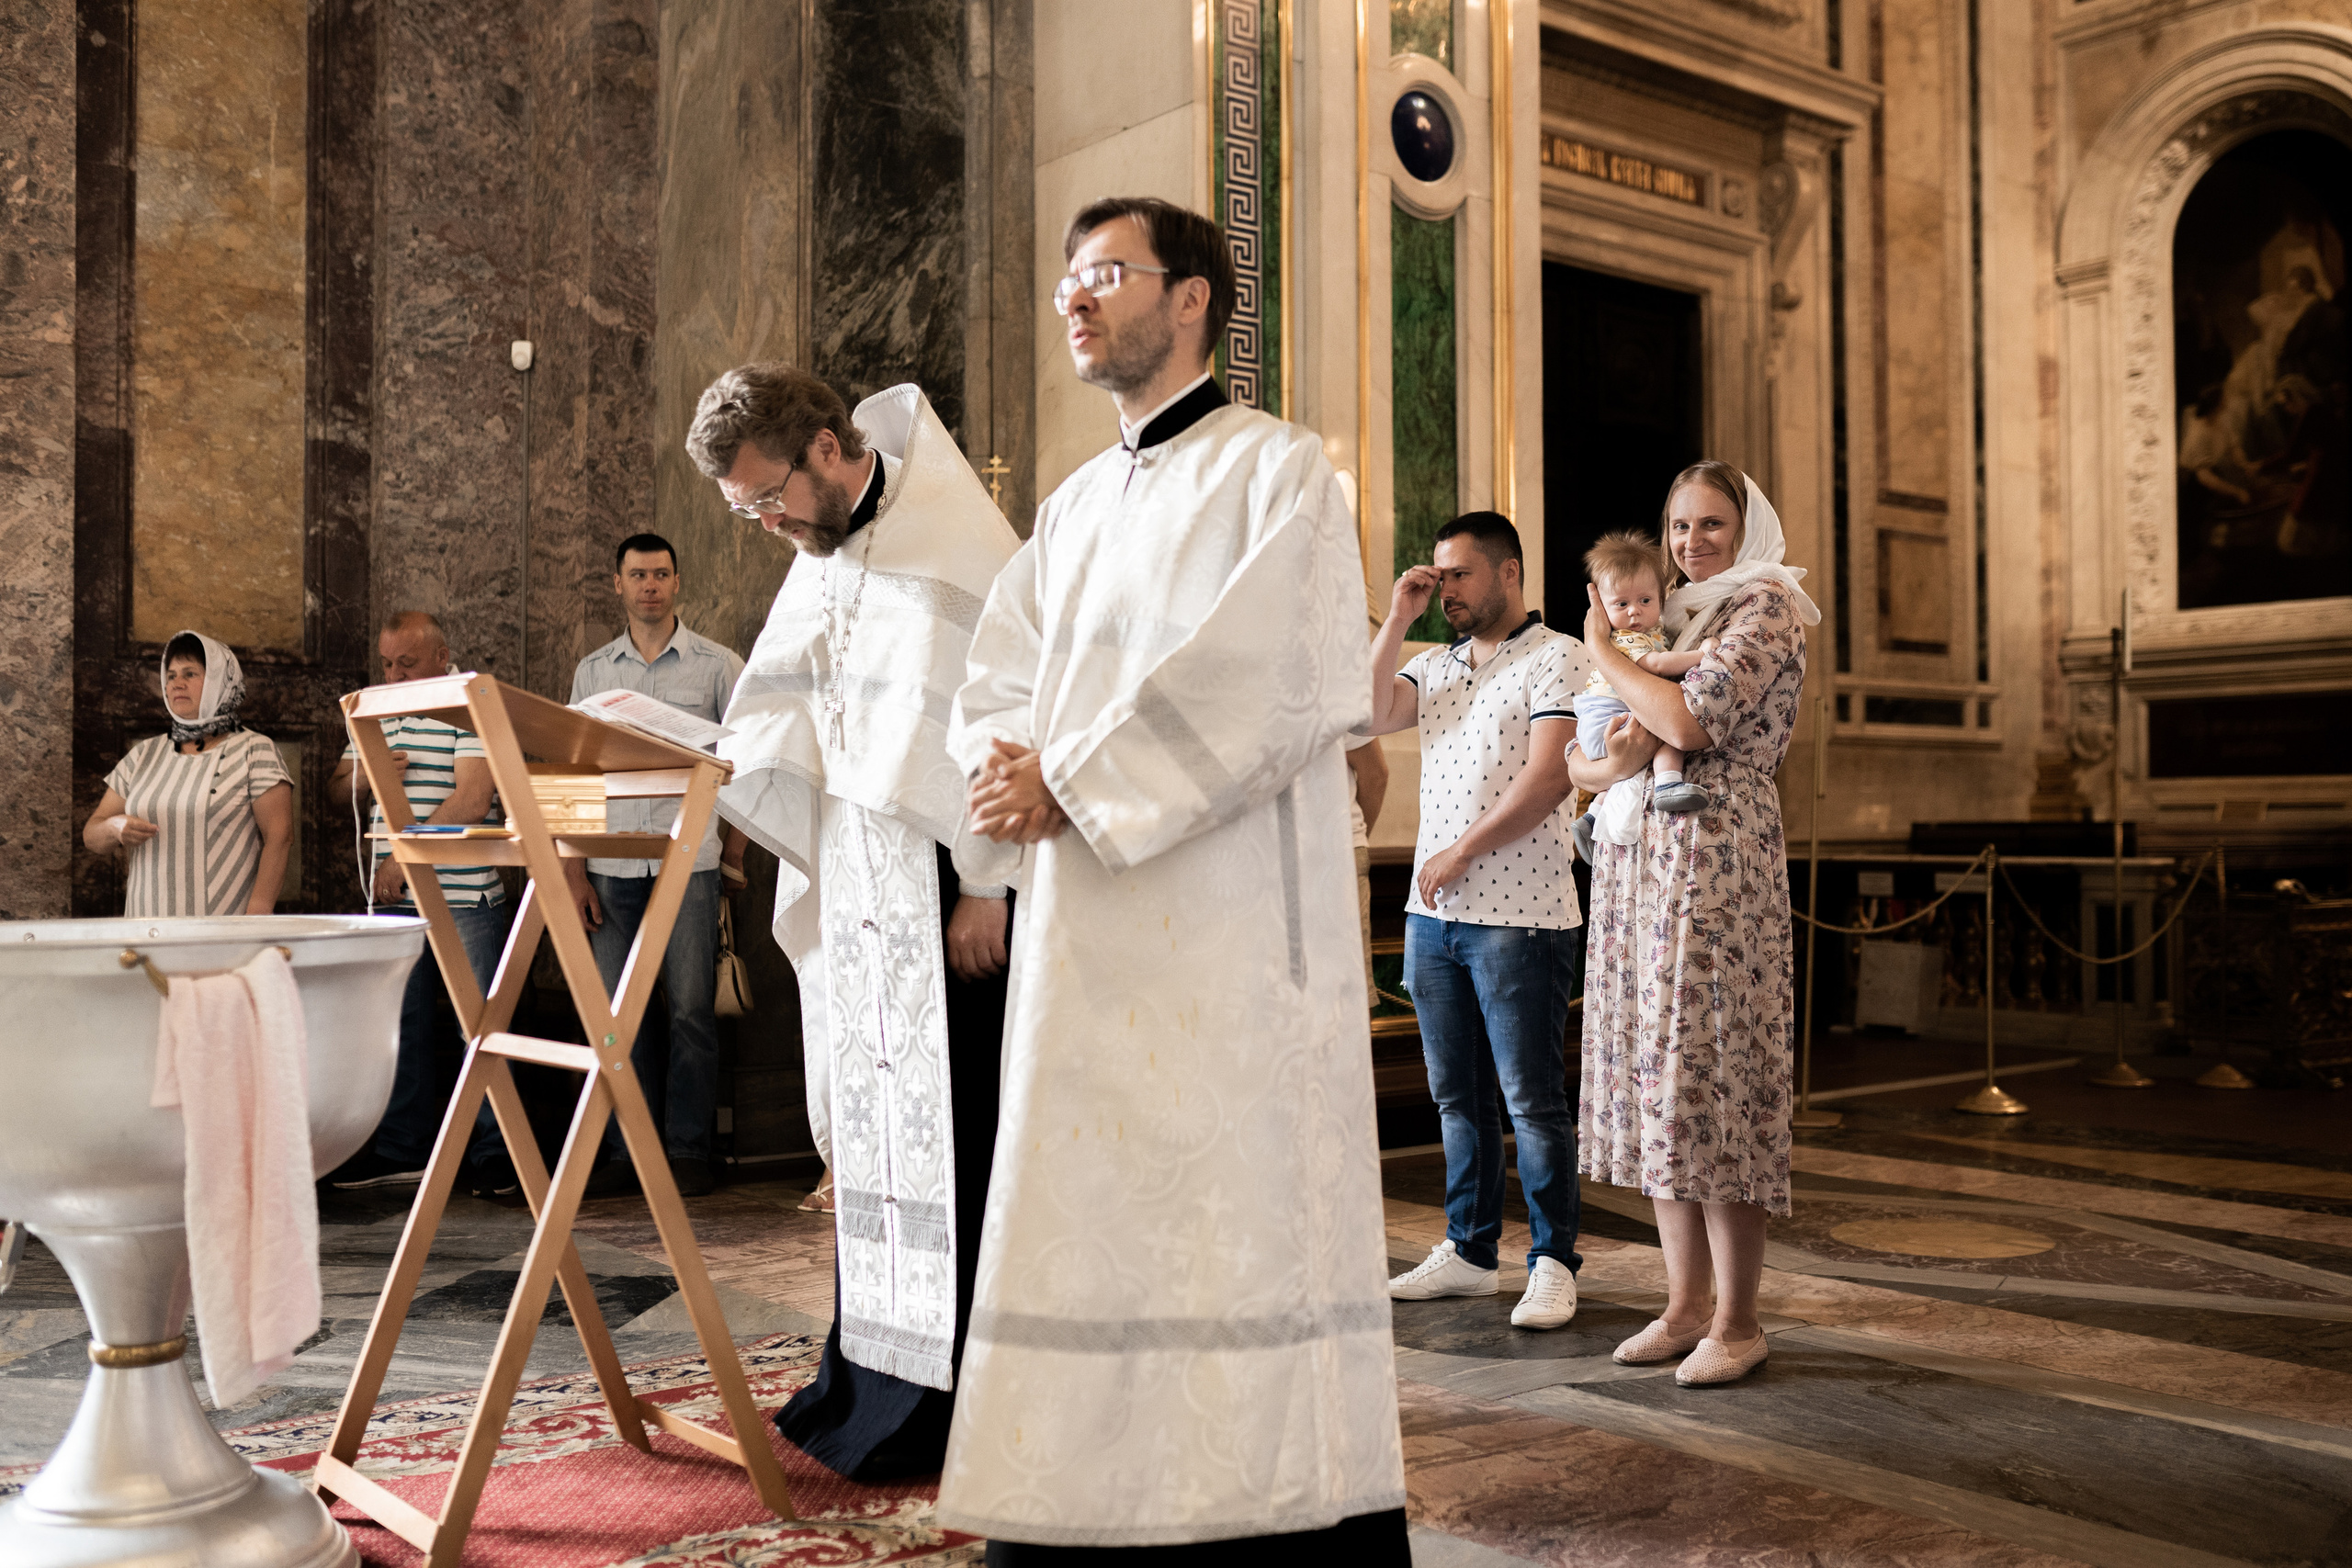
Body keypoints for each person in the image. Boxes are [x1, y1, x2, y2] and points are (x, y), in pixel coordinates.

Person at [943, 196, 1407, 1562]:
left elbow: (1269, 677)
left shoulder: (1280, 473)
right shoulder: (1074, 503)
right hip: (1083, 938)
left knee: (1229, 1216)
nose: (1076, 300)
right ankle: (1081, 1506)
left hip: (1225, 939)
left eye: (1106, 273)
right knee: (1086, 1211)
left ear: (1191, 296)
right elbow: (997, 670)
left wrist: (1072, 782)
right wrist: (1002, 765)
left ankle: (1257, 1516)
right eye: (1067, 282)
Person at [691, 362, 1020, 1481]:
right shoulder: (819, 557)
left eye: (765, 497)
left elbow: (1003, 724)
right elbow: (792, 714)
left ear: (825, 448)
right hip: (864, 884)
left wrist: (986, 885)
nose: (765, 524)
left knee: (959, 1141)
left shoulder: (959, 549)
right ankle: (868, 1375)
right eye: (744, 510)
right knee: (880, 1141)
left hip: (946, 886)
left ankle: (956, 1399)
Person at [1567, 460, 1817, 1387]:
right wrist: (1607, 753)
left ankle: (1739, 1322)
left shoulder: (1764, 606)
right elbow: (1596, 760)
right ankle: (1682, 1306)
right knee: (1660, 1081)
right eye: (1678, 526)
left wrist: (1601, 649)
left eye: (1710, 524)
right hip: (1643, 861)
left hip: (1718, 860)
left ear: (1744, 527)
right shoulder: (1674, 612)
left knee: (1715, 1078)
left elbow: (1687, 718)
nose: (1690, 542)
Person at [1366, 513, 1589, 1334]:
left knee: (1531, 1100)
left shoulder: (1559, 655)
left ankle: (1553, 1262)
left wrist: (1461, 850)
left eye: (1459, 574)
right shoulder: (1436, 664)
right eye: (1438, 575)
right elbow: (1362, 713)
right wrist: (1399, 617)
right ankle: (1469, 1250)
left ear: (1509, 572)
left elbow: (1549, 779)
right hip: (1433, 919)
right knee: (1456, 1097)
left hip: (1521, 917)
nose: (1446, 589)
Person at [565, 533, 751, 1201]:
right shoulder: (592, 671)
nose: (650, 585)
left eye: (661, 574)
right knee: (622, 1015)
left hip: (689, 861)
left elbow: (747, 765)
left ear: (677, 582)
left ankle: (688, 1150)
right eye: (638, 574)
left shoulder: (718, 665)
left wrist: (735, 855)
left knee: (692, 1012)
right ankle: (628, 1153)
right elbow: (574, 772)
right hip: (610, 865)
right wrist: (573, 872)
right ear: (618, 583)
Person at [323, 611, 514, 1193]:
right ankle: (402, 1148)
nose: (395, 675)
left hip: (463, 894)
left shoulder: (468, 705)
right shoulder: (375, 709)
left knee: (477, 1026)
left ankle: (497, 1152)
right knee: (399, 1026)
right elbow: (335, 789)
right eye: (387, 663)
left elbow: (474, 799)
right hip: (394, 898)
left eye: (407, 663)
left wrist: (403, 858)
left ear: (441, 656)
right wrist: (365, 777)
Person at [85, 631, 293, 918]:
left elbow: (280, 836)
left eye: (190, 673)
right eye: (170, 676)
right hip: (145, 928)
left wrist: (257, 914)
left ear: (220, 681)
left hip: (222, 930)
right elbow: (91, 834)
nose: (177, 683)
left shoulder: (254, 749)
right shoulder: (144, 753)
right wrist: (113, 827)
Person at [1567, 530, 1713, 862]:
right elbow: (1658, 664)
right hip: (1607, 718)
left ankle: (1593, 816)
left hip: (1599, 721)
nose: (1634, 611)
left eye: (1645, 601)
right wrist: (1700, 654)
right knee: (1667, 727)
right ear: (1601, 610)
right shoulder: (1625, 640)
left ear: (1661, 598)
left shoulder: (1652, 633)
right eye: (1621, 604)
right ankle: (1668, 783)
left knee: (1633, 762)